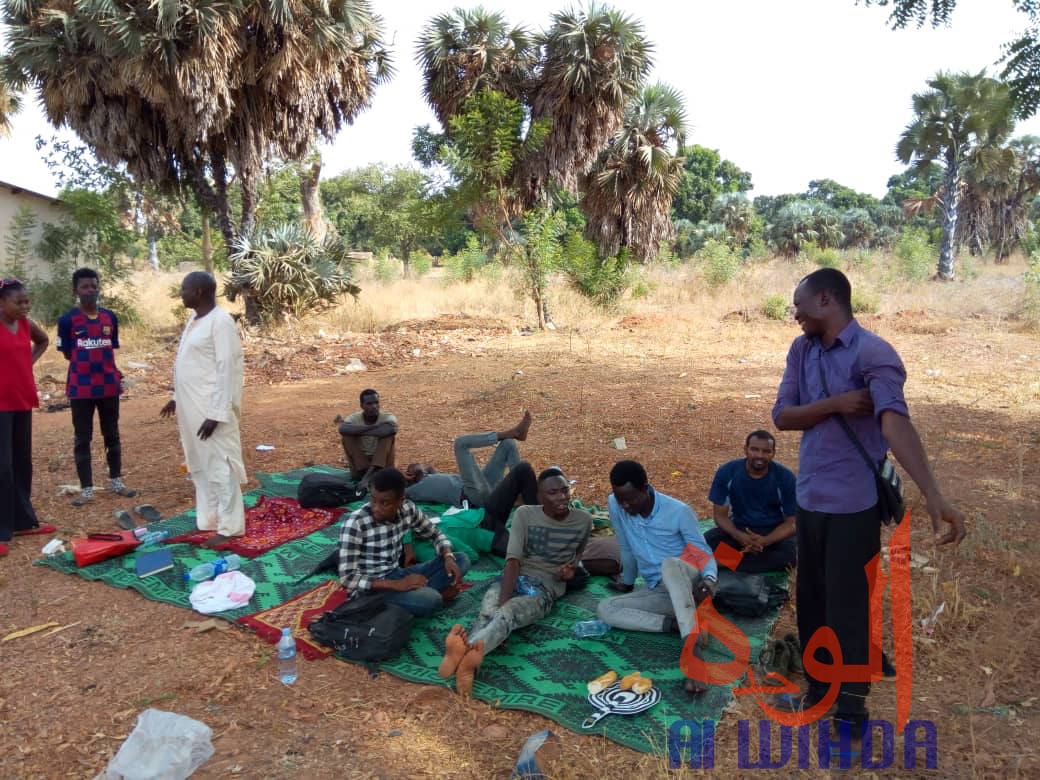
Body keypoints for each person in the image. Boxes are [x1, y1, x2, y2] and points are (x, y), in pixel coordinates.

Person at [773, 267, 966, 737]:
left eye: (799, 304)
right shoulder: (802, 350)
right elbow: (783, 416)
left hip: (854, 506)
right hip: (810, 500)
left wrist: (934, 494)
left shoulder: (874, 354)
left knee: (850, 610)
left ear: (825, 300)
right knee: (813, 603)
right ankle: (819, 693)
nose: (794, 313)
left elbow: (894, 424)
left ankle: (852, 714)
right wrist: (836, 405)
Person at [438, 468, 592, 696]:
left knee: (507, 613)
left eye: (565, 491)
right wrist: (503, 597)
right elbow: (513, 561)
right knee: (489, 612)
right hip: (513, 576)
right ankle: (468, 661)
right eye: (553, 493)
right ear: (540, 497)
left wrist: (570, 572)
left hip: (543, 590)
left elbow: (576, 560)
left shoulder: (583, 521)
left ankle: (464, 655)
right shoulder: (525, 515)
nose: (562, 497)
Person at [595, 460, 718, 694]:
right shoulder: (616, 504)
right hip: (659, 590)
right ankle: (675, 625)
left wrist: (710, 579)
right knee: (605, 609)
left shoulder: (678, 511)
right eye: (620, 498)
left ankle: (693, 653)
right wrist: (628, 582)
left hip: (687, 581)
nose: (625, 505)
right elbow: (625, 546)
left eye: (630, 498)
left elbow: (703, 553)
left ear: (645, 489)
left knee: (669, 564)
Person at [160, 272, 246, 548]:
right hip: (191, 405)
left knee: (220, 465)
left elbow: (227, 370)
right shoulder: (195, 319)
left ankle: (230, 527)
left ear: (197, 291)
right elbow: (191, 363)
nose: (181, 293)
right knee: (199, 464)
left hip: (211, 409)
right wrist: (176, 397)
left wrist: (217, 413)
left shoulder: (220, 322)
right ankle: (209, 520)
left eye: (184, 289)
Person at [337, 467, 471, 616]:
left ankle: (421, 594)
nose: (376, 508)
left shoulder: (408, 509)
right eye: (373, 499)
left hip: (395, 573)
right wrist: (398, 585)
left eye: (384, 503)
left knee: (461, 560)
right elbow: (347, 578)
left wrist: (447, 557)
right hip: (370, 590)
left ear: (400, 501)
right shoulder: (355, 524)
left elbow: (435, 534)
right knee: (431, 600)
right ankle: (435, 595)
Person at [56, 267, 137, 506]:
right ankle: (87, 489)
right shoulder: (67, 320)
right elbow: (68, 354)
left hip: (108, 385)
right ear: (76, 291)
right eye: (85, 287)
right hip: (81, 389)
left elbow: (110, 346)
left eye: (93, 285)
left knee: (111, 434)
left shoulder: (109, 317)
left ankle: (116, 481)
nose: (90, 290)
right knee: (82, 438)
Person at [405, 412, 537, 555]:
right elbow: (399, 498)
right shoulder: (413, 490)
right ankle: (512, 433)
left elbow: (431, 471)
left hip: (481, 484)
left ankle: (520, 493)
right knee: (460, 444)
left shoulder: (428, 476)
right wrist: (407, 481)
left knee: (508, 444)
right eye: (408, 470)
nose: (411, 467)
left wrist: (422, 469)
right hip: (472, 496)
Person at [0, 278, 53, 557]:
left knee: (22, 461)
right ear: (2, 302)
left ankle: (22, 522)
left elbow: (43, 341)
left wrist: (25, 363)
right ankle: (2, 529)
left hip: (21, 398)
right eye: (18, 302)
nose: (24, 306)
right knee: (2, 466)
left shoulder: (24, 324)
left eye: (26, 301)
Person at [704, 430, 797, 573]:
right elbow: (720, 516)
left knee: (789, 556)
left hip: (773, 535)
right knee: (701, 545)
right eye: (754, 449)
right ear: (745, 450)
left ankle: (724, 562)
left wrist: (765, 541)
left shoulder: (785, 478)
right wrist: (739, 536)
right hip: (739, 530)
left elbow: (792, 522)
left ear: (773, 453)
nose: (760, 455)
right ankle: (743, 563)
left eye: (766, 451)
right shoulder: (728, 472)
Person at [338, 389, 397, 491]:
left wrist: (357, 431)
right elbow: (342, 429)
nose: (374, 406)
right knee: (347, 436)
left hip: (382, 468)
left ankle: (368, 476)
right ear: (362, 406)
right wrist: (376, 426)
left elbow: (390, 430)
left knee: (387, 436)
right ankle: (367, 474)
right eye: (369, 403)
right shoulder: (355, 418)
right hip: (360, 468)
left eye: (376, 402)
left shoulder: (387, 417)